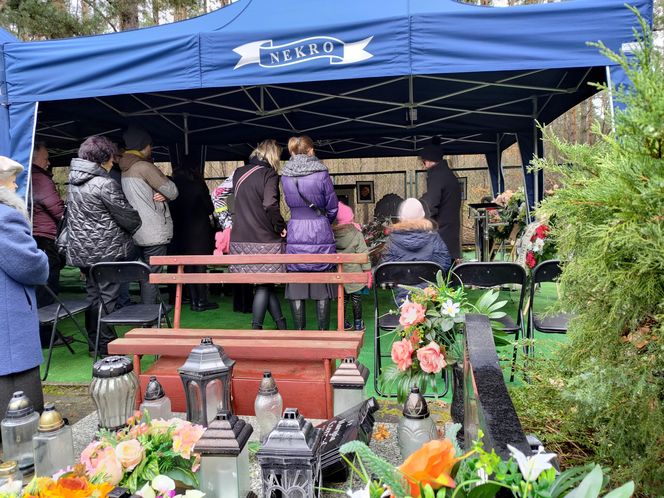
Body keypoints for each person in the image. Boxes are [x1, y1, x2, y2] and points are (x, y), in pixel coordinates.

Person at [64, 136, 142, 357]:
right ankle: (107, 347)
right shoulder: (104, 183)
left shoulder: (73, 184)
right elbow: (129, 218)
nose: (114, 161)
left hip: (82, 251)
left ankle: (94, 344)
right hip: (107, 251)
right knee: (108, 299)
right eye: (111, 157)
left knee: (93, 297)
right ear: (104, 158)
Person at [0, 156, 49, 415]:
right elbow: (32, 267)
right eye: (12, 181)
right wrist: (41, 255)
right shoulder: (6, 218)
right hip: (9, 324)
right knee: (21, 407)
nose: (16, 187)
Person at [281, 135, 339, 330]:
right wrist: (323, 222)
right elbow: (333, 207)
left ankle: (299, 333)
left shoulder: (285, 175)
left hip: (296, 229)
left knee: (296, 281)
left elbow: (290, 204)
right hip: (319, 230)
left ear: (291, 152)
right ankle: (323, 333)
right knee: (322, 283)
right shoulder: (321, 173)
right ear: (311, 150)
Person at [229, 139, 288, 330]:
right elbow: (270, 203)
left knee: (265, 284)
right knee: (264, 284)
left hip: (239, 237)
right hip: (264, 237)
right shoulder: (269, 173)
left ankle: (282, 325)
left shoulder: (239, 172)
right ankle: (256, 330)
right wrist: (280, 226)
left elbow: (225, 197)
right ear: (273, 155)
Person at [119, 126, 178, 304]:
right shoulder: (144, 167)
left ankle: (137, 307)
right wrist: (165, 192)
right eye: (150, 146)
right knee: (153, 276)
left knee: (140, 273)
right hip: (153, 231)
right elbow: (172, 191)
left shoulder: (123, 168)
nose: (151, 149)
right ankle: (150, 318)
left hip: (135, 230)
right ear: (143, 146)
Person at [30, 142, 71, 347]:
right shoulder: (40, 179)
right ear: (35, 155)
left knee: (41, 289)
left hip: (37, 237)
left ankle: (43, 334)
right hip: (45, 239)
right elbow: (57, 210)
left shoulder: (31, 176)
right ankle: (46, 336)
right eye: (45, 157)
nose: (48, 161)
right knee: (47, 289)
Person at [380, 198, 452, 304]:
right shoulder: (434, 237)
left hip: (403, 298)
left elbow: (385, 271)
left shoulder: (392, 240)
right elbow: (444, 264)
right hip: (430, 296)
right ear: (422, 215)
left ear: (401, 217)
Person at [169, 161, 218, 311]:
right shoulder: (197, 185)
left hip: (180, 230)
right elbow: (209, 208)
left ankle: (193, 300)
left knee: (188, 265)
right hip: (199, 230)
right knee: (200, 265)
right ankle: (202, 299)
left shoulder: (172, 187)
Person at [419, 138, 462, 262]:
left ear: (429, 160)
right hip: (449, 237)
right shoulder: (447, 174)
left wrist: (416, 220)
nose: (424, 165)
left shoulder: (437, 176)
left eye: (424, 161)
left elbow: (431, 205)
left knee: (438, 278)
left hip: (441, 239)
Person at [333, 202, 372, 331]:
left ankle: (342, 323)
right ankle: (358, 324)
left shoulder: (331, 234)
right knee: (356, 298)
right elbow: (364, 254)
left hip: (339, 274)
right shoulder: (356, 233)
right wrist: (367, 272)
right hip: (355, 273)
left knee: (342, 299)